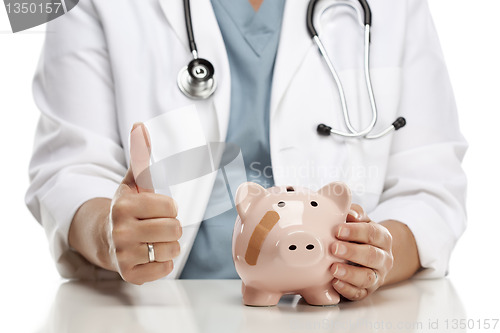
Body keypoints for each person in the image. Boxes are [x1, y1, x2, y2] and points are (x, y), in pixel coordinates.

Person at [26, 0, 467, 302]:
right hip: (158, 310)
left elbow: (430, 190)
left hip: (337, 316)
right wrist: (110, 232)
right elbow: (67, 171)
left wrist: (372, 258)